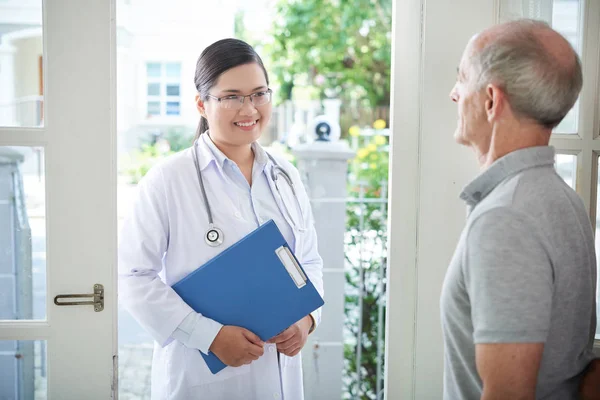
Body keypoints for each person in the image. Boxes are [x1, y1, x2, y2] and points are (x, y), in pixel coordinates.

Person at [118, 38, 324, 400]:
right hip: (199, 372)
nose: (249, 108)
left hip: (279, 371)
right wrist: (209, 336)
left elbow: (309, 260)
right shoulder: (169, 179)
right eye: (232, 96)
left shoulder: (285, 175)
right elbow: (133, 278)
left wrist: (306, 320)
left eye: (259, 94)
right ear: (202, 103)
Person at [441, 19, 596, 399]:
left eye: (462, 78)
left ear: (491, 100)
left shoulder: (506, 219)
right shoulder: (559, 197)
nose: (453, 94)